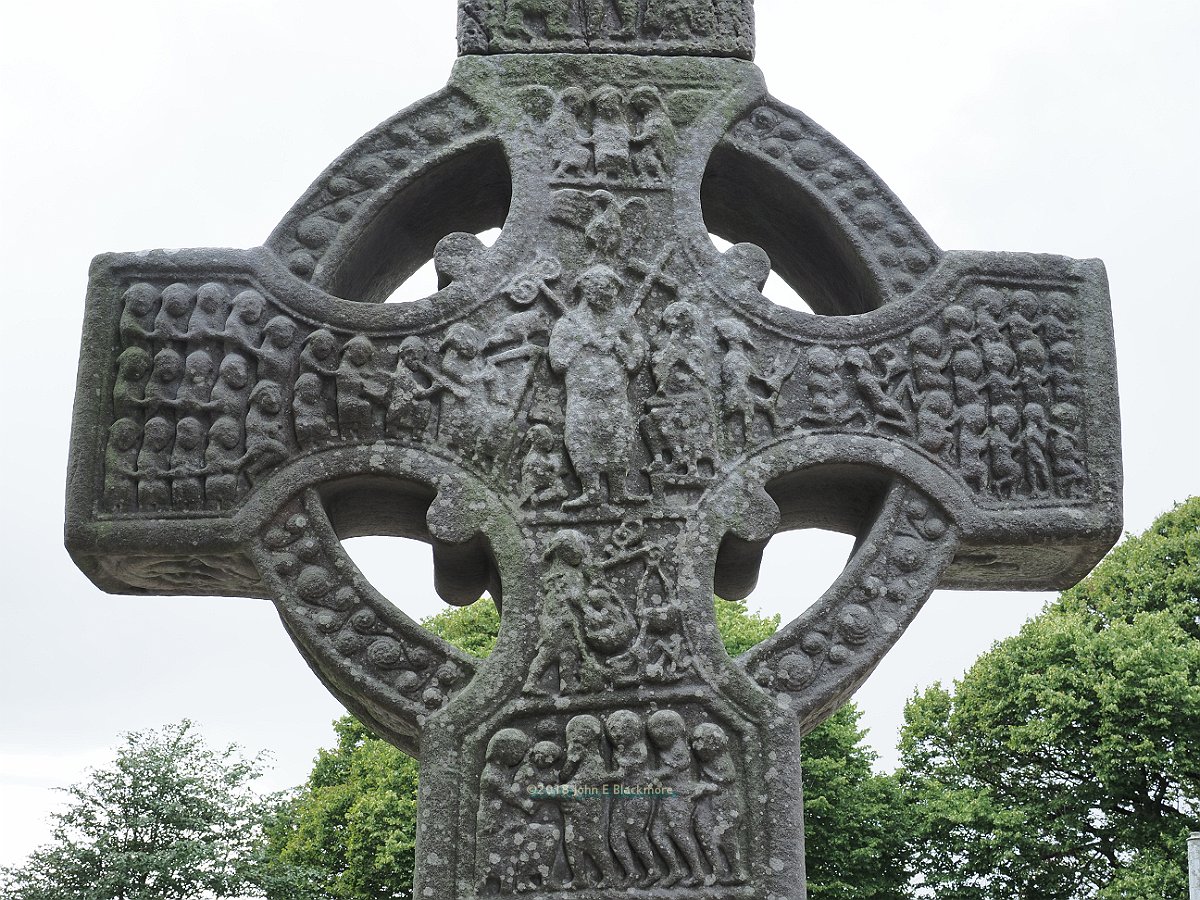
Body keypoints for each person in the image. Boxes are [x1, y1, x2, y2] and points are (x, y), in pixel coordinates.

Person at [549, 264, 646, 508]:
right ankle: (590, 491)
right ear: (587, 291)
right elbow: (558, 362)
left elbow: (635, 360)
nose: (608, 296)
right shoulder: (569, 322)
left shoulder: (623, 320)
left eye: (611, 291)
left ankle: (619, 490)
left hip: (614, 395)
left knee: (618, 436)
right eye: (601, 290)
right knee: (581, 437)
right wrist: (580, 342)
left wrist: (618, 345)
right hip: (582, 396)